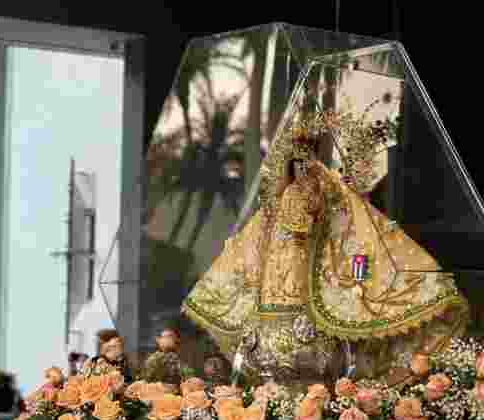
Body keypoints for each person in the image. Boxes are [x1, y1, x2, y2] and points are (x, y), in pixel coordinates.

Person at [183, 107, 469, 388]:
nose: (300, 161)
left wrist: (352, 276)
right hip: (275, 301)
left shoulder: (327, 189)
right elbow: (255, 244)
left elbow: (354, 231)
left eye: (306, 150)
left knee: (322, 355)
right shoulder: (282, 198)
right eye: (295, 153)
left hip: (313, 299)